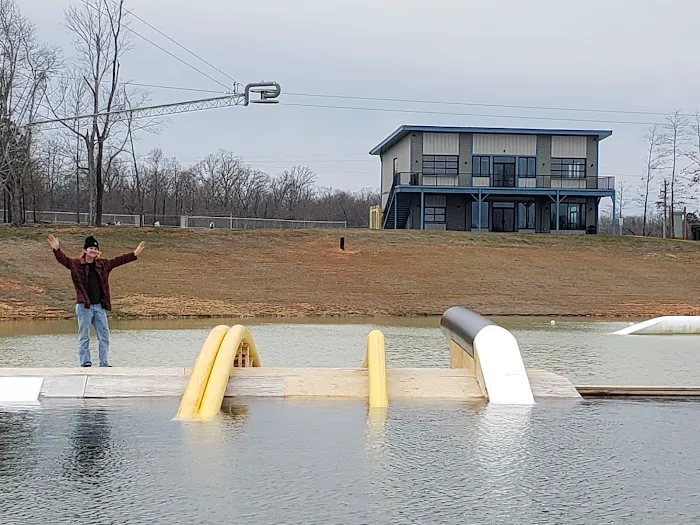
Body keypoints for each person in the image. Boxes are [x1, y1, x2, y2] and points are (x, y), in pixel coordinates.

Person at [48, 234, 145, 368]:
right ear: (85, 250)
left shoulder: (103, 265)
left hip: (99, 307)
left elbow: (118, 260)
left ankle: (104, 363)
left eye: (95, 249)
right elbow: (63, 260)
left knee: (104, 336)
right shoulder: (76, 265)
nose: (93, 251)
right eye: (90, 249)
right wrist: (56, 249)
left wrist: (134, 253)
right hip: (84, 307)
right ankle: (85, 363)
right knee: (84, 336)